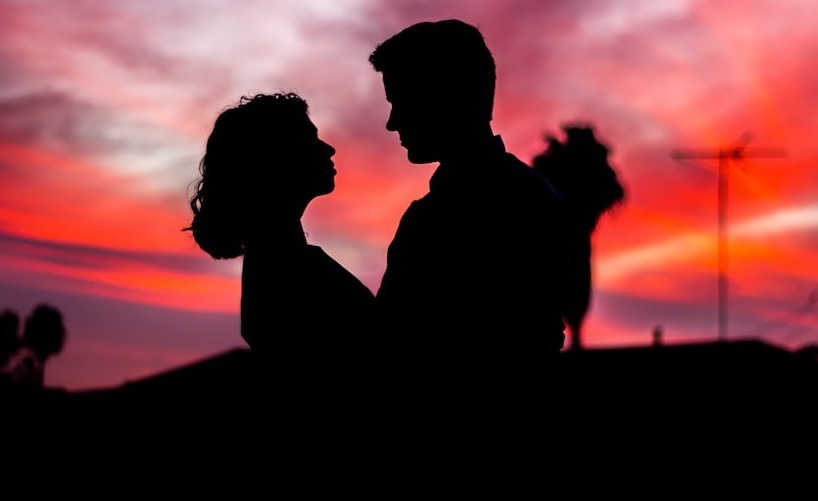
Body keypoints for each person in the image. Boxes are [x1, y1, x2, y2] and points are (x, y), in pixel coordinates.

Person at [368, 19, 570, 401]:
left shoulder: (439, 218)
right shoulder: (534, 196)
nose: (392, 122)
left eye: (401, 101)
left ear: (445, 97)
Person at [185, 92, 377, 408]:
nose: (328, 148)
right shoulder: (289, 274)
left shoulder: (280, 265)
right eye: (308, 139)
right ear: (274, 159)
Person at [532, 124, 625, 352]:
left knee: (573, 283)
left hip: (568, 235)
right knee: (567, 282)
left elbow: (614, 192)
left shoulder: (568, 163)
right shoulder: (557, 164)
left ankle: (572, 337)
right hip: (560, 236)